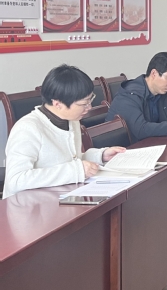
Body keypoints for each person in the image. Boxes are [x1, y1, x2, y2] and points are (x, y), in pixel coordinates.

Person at [3, 65, 126, 199]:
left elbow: (69, 160)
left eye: (90, 100)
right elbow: (16, 180)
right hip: (29, 205)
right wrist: (76, 171)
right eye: (83, 104)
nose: (89, 107)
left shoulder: (71, 120)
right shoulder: (27, 129)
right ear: (58, 104)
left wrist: (100, 156)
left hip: (61, 197)